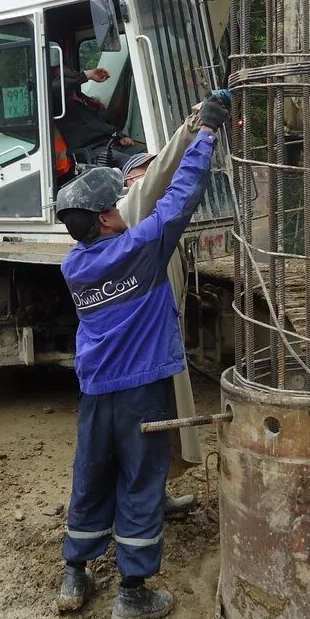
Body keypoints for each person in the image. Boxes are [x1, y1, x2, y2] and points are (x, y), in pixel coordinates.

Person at [54, 91, 230, 619]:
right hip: (139, 391)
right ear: (105, 222)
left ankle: (75, 573)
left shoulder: (73, 266)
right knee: (140, 480)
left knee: (92, 471)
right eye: (112, 207)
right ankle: (132, 593)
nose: (119, 209)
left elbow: (154, 201)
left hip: (96, 390)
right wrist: (206, 137)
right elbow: (179, 198)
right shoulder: (142, 248)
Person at [117, 117, 208, 512]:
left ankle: (156, 495)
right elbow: (166, 173)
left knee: (163, 420)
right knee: (141, 425)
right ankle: (135, 509)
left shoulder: (156, 223)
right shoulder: (130, 211)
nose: (155, 176)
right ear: (128, 182)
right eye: (146, 171)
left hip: (161, 342)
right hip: (142, 350)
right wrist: (194, 127)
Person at [51, 64, 136, 169]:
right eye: (65, 76)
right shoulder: (58, 105)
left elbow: (106, 124)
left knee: (149, 155)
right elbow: (56, 87)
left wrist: (121, 136)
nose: (72, 77)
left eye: (72, 74)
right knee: (133, 164)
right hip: (92, 150)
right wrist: (88, 75)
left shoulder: (87, 100)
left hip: (113, 143)